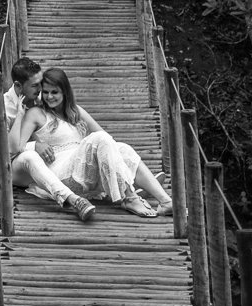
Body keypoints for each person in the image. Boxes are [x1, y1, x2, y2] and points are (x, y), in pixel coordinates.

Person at [11, 67, 173, 217]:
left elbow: (106, 137)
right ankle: (130, 196)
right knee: (99, 140)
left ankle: (166, 202)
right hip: (60, 173)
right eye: (45, 92)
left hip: (82, 171)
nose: (49, 97)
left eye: (55, 92)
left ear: (65, 92)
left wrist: (115, 160)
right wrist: (36, 145)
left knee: (122, 148)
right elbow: (17, 147)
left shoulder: (76, 111)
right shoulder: (36, 113)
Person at [3, 57, 96, 220]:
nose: (41, 90)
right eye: (35, 85)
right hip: (12, 168)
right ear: (18, 86)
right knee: (29, 156)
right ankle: (74, 200)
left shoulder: (38, 98)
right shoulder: (2, 109)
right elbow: (6, 153)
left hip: (43, 166)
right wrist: (33, 145)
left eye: (41, 83)